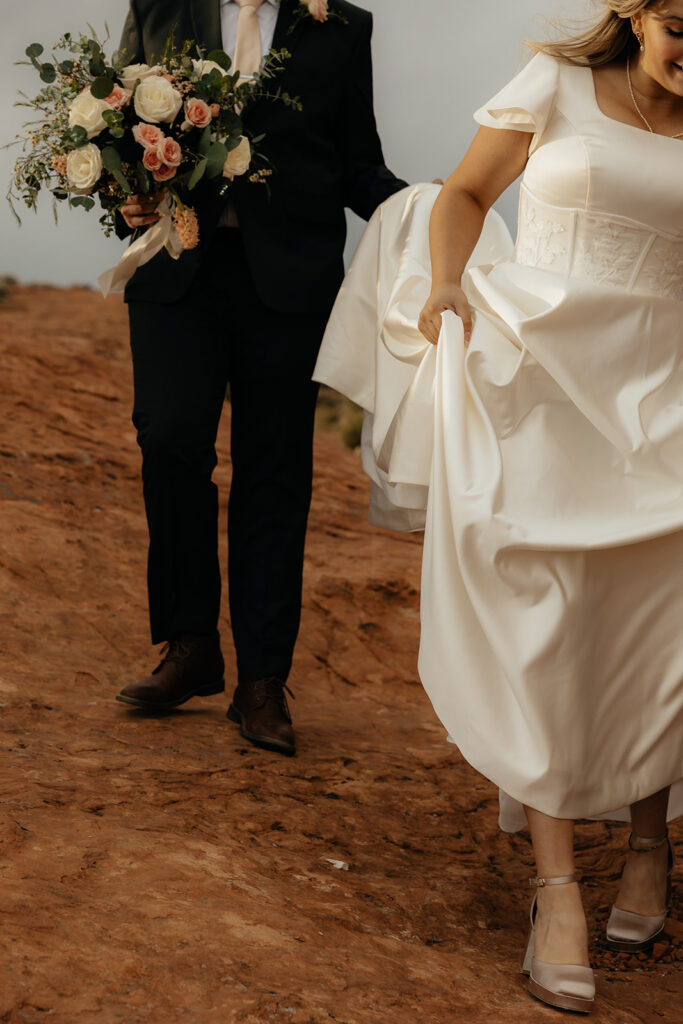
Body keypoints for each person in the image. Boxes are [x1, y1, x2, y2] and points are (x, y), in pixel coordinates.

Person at [314, 0, 683, 1013]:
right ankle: (556, 890)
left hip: (665, 392)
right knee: (544, 623)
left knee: (662, 622)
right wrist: (444, 284)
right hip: (540, 373)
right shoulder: (552, 83)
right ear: (633, 11)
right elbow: (468, 196)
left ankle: (649, 846)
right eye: (680, 25)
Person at [113, 0, 407, 756]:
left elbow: (355, 161)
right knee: (170, 439)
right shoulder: (159, 5)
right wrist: (123, 193)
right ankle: (189, 647)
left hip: (290, 285)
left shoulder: (344, 26)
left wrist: (433, 208)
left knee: (274, 473)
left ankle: (261, 682)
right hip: (176, 270)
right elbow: (117, 124)